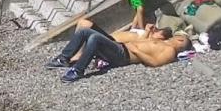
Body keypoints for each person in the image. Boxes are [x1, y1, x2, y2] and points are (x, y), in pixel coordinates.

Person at [46, 18, 188, 83]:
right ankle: (63, 59)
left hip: (124, 55)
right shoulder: (161, 42)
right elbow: (143, 43)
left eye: (179, 36)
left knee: (94, 38)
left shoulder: (170, 50)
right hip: (121, 47)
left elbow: (155, 62)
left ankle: (77, 70)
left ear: (181, 41)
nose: (176, 36)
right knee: (84, 31)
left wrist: (136, 51)